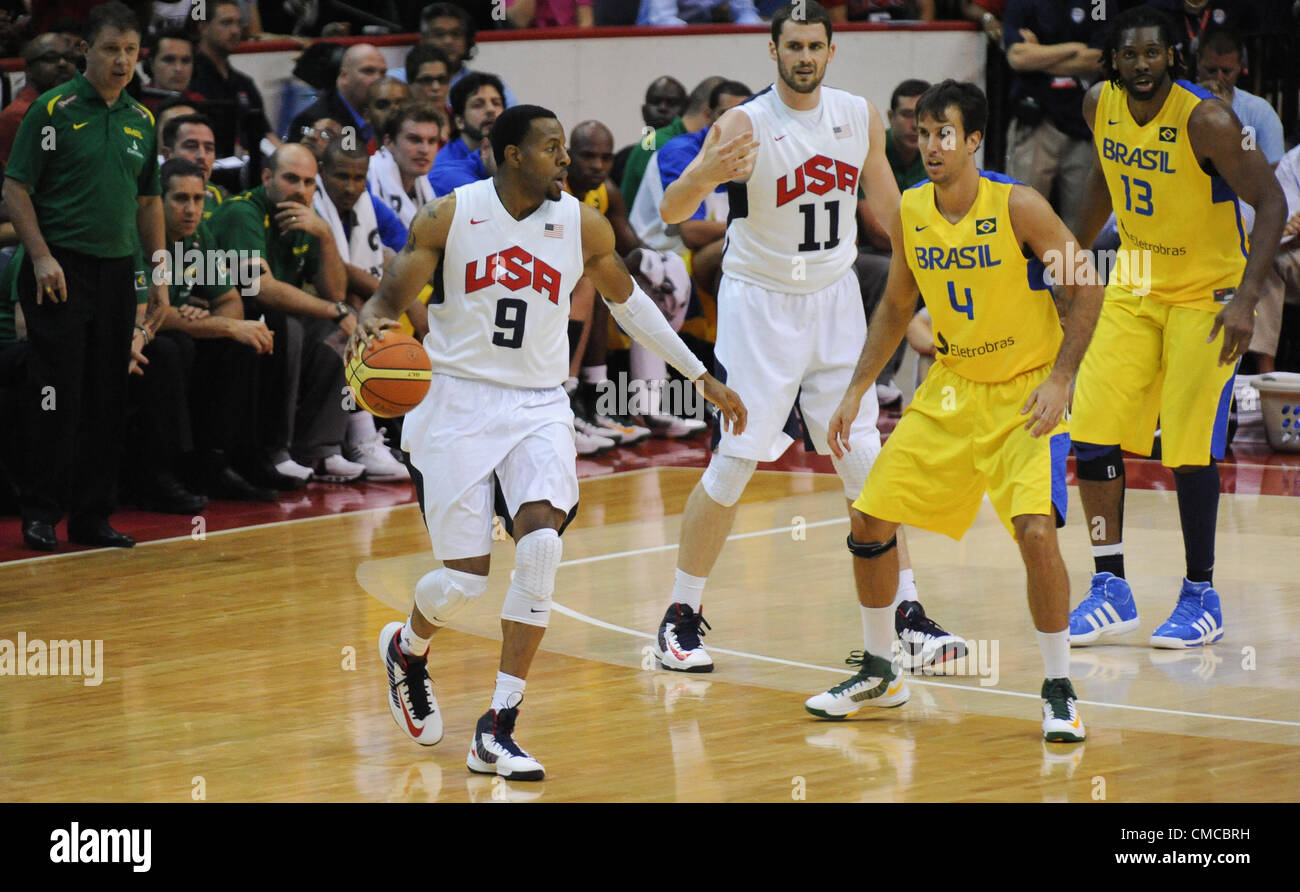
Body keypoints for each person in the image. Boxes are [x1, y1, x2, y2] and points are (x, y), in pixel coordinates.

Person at [354, 104, 744, 779]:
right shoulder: (451, 214)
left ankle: (497, 726)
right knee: (463, 583)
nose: (565, 158)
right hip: (456, 402)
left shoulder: (582, 223)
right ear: (510, 154)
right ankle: (408, 647)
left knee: (540, 546)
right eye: (551, 147)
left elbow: (630, 303)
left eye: (565, 146)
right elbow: (388, 296)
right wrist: (370, 328)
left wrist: (700, 374)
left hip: (537, 404)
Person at [649, 1, 964, 674]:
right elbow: (672, 210)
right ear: (772, 50)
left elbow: (895, 216)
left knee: (867, 467)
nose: (804, 56)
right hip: (759, 304)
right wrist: (705, 174)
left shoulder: (858, 115)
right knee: (735, 461)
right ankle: (679, 615)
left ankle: (906, 612)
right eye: (792, 45)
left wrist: (926, 296)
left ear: (830, 51)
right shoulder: (745, 123)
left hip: (835, 300)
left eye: (815, 45)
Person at [804, 80, 1104, 742]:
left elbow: (1086, 284)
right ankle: (881, 669)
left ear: (974, 141)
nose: (932, 144)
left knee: (1034, 532)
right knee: (870, 513)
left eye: (946, 133)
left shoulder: (1018, 206)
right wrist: (858, 386)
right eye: (923, 132)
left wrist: (1061, 378)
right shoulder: (912, 209)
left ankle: (1058, 686)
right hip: (951, 386)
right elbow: (896, 305)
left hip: (1024, 390)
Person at [1066, 7, 1285, 649]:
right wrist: (1072, 259)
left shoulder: (1208, 119)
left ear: (1172, 58)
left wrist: (1247, 297)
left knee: (1188, 448)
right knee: (1093, 431)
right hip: (1134, 286)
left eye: (1152, 54)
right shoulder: (1095, 105)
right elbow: (1106, 179)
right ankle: (1111, 586)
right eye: (1129, 55)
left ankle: (1201, 595)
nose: (1140, 66)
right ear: (1115, 60)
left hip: (1207, 297)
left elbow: (1271, 201)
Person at [3, 2, 168, 551]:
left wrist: (159, 273)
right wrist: (42, 255)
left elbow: (149, 202)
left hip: (118, 270)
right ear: (86, 51)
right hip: (61, 269)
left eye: (130, 51)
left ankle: (93, 516)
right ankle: (41, 512)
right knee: (56, 393)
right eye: (110, 49)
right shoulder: (51, 110)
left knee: (107, 395)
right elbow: (16, 187)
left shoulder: (142, 121)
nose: (122, 61)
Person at [206, 142, 362, 486]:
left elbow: (334, 292)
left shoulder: (308, 218)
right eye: (291, 179)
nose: (301, 190)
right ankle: (276, 452)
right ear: (267, 177)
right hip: (229, 317)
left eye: (309, 182)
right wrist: (334, 309)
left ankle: (320, 448)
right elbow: (258, 288)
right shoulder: (242, 213)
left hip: (277, 318)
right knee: (291, 324)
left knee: (343, 328)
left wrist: (324, 235)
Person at [312, 142, 412, 482]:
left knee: (373, 322)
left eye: (359, 178)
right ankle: (354, 439)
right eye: (341, 176)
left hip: (339, 304)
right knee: (354, 326)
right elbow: (335, 280)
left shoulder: (368, 204)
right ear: (322, 173)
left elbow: (401, 249)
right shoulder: (307, 201)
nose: (351, 186)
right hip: (306, 303)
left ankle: (377, 434)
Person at [1001, 0, 1111, 233]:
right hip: (1036, 123)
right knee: (1020, 222)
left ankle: (1076, 271)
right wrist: (1075, 48)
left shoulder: (1099, 3)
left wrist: (1039, 56)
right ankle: (1024, 271)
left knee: (1084, 228)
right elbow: (1017, 57)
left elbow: (1100, 59)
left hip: (1085, 127)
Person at [189, 0, 280, 160]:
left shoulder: (243, 83)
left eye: (238, 23)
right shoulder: (190, 78)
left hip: (251, 163)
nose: (235, 31)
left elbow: (266, 134)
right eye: (226, 23)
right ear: (203, 27)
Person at [289, 44, 390, 154]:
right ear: (344, 75)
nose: (378, 79)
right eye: (368, 71)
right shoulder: (314, 119)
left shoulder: (387, 112)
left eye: (383, 73)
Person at [0, 32, 78, 166]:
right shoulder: (19, 115)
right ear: (28, 69)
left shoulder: (77, 107)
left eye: (69, 57)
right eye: (51, 58)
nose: (63, 63)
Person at [428, 72, 504, 197]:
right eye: (478, 105)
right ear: (459, 121)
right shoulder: (443, 167)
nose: (491, 110)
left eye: (496, 103)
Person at [610, 76, 686, 188]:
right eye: (655, 102)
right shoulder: (622, 159)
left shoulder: (694, 156)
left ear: (685, 111)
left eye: (671, 103)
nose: (662, 108)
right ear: (644, 111)